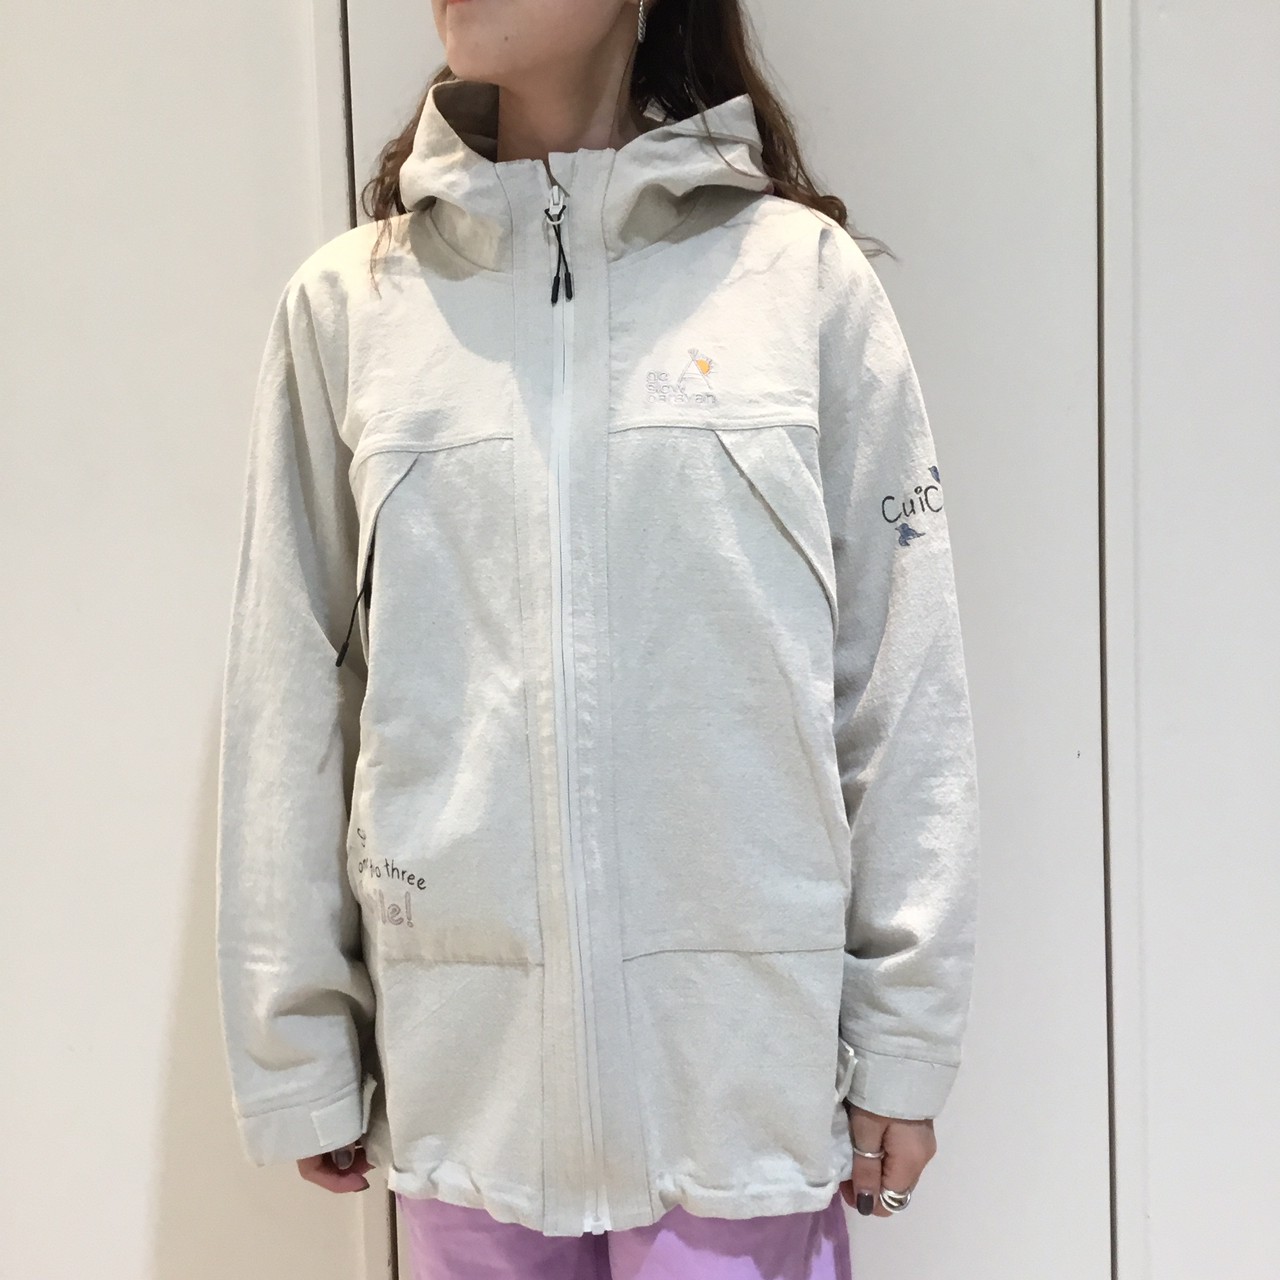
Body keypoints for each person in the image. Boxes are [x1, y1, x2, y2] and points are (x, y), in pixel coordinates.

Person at [214, 0, 981, 1274]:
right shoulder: (350, 308)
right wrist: (295, 1041)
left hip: (736, 1091)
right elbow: (289, 689)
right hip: (468, 1096)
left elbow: (899, 688)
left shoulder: (797, 285)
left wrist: (902, 1034)